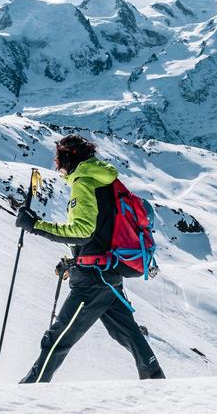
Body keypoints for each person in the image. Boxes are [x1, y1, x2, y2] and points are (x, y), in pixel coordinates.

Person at [15, 134, 165, 383]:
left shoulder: (84, 182)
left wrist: (35, 226)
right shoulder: (104, 180)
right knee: (130, 336)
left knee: (57, 340)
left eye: (58, 158)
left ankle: (27, 392)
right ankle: (156, 383)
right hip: (108, 275)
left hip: (92, 282)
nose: (56, 164)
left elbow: (83, 232)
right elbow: (101, 235)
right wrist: (73, 261)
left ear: (68, 158)